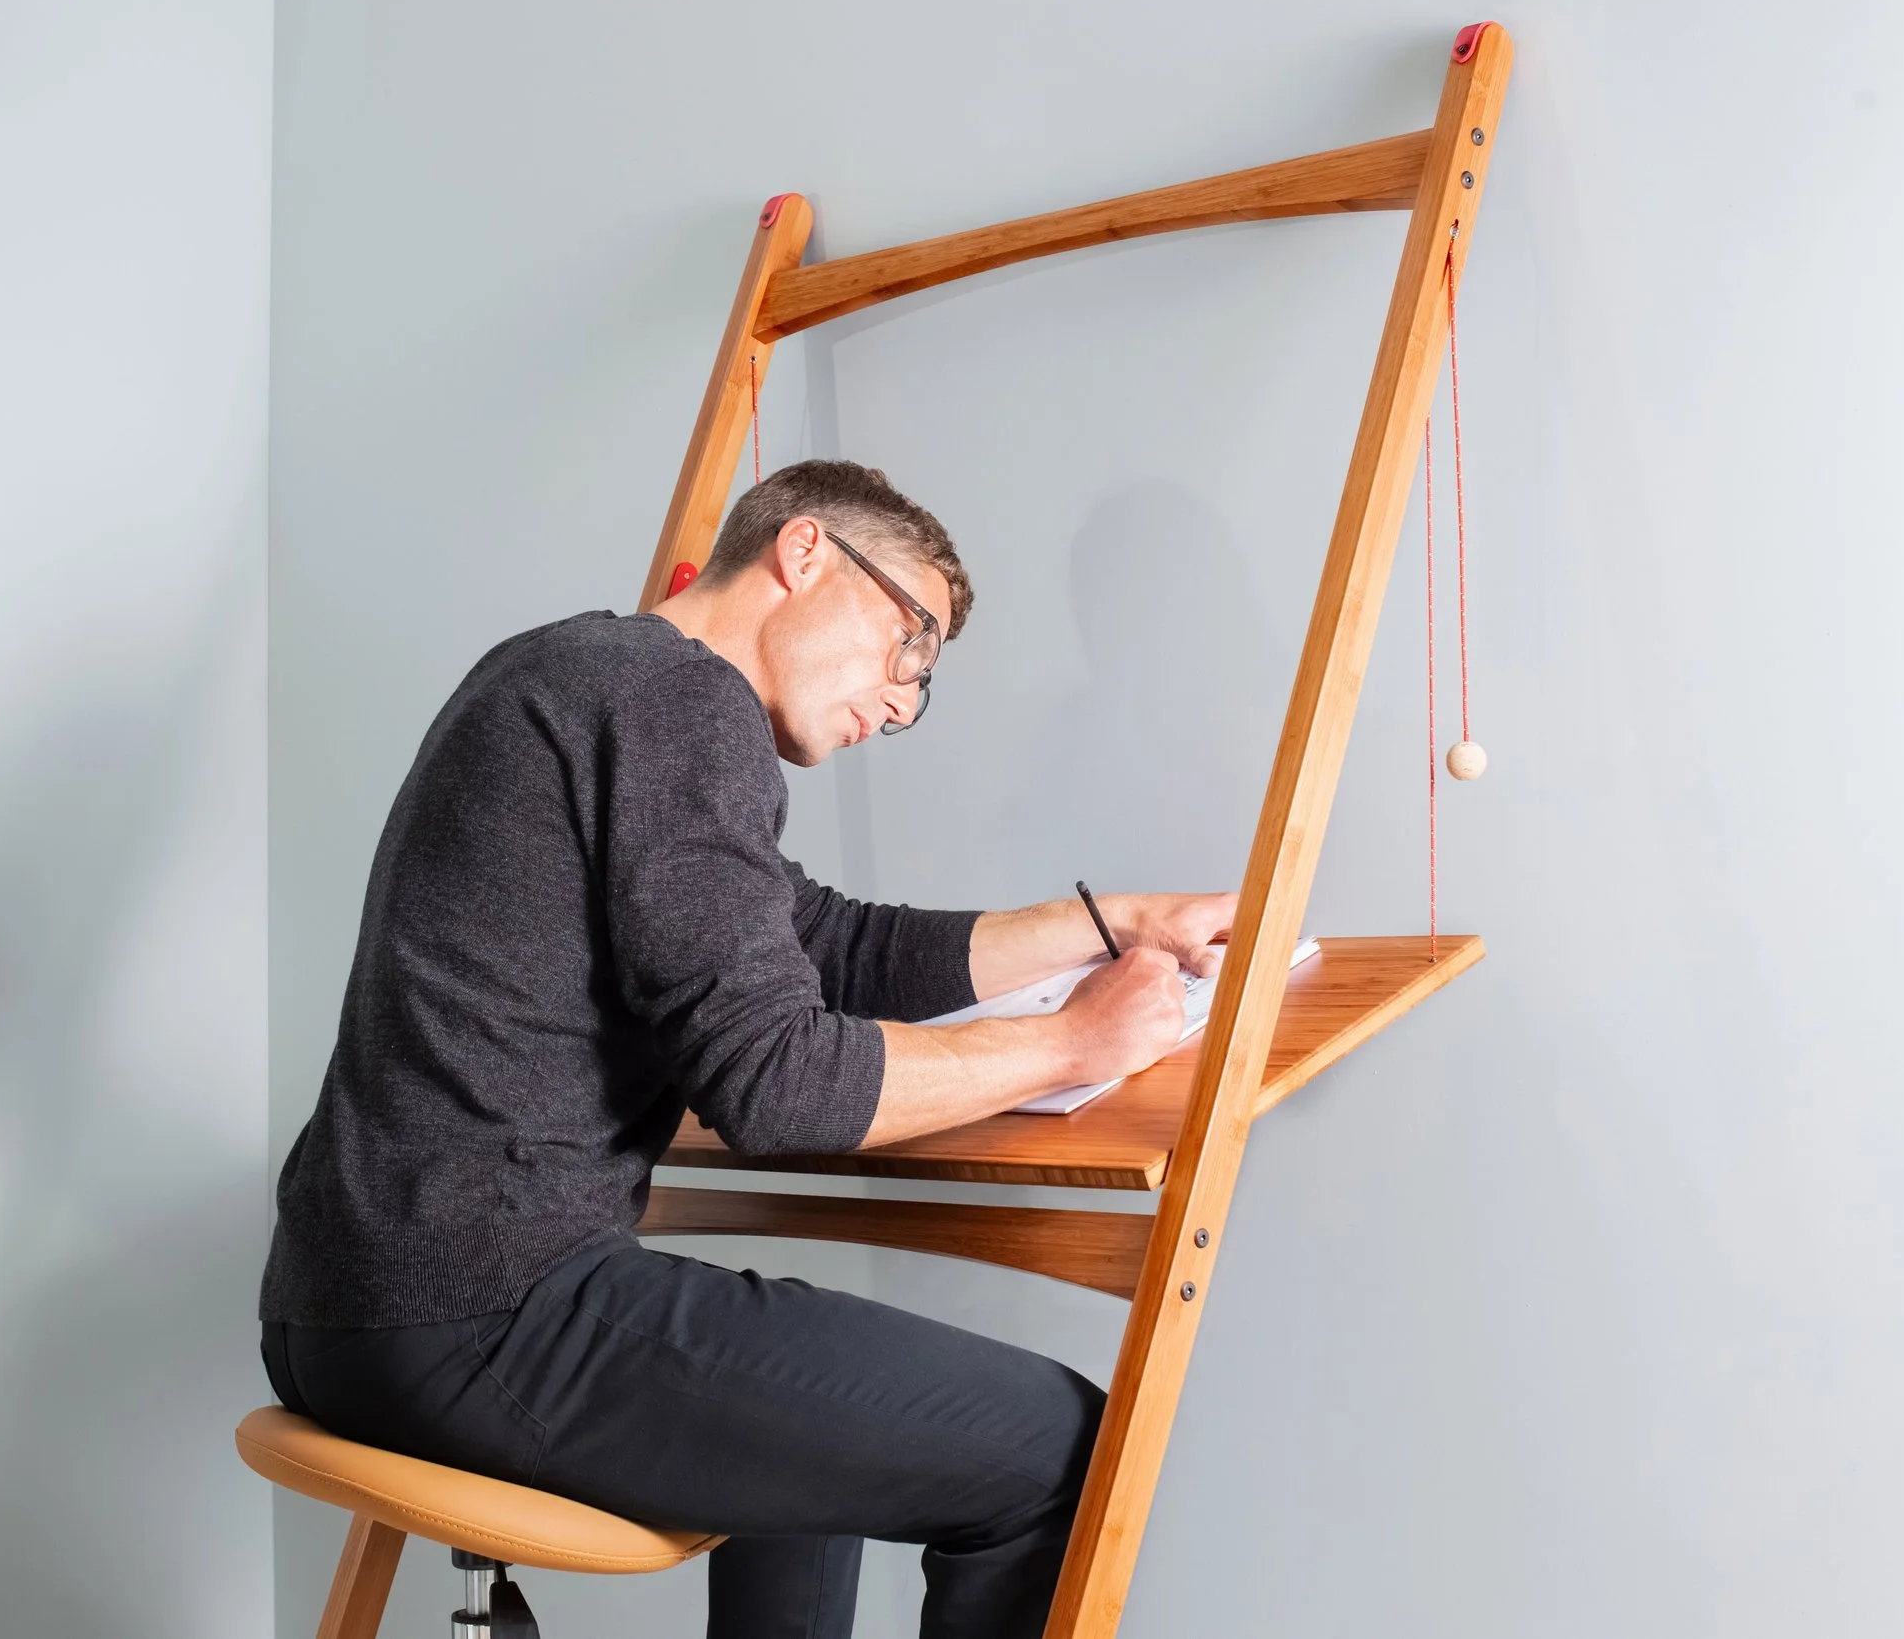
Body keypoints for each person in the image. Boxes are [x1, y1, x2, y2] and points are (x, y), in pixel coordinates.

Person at [260, 459, 1237, 1639]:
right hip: (483, 1307)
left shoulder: (574, 670)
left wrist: (1108, 921)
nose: (901, 701)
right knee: (1063, 1450)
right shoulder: (680, 702)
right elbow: (775, 1081)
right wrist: (1067, 1039)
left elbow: (826, 939)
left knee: (813, 1429)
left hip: (345, 1311)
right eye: (908, 642)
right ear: (805, 550)